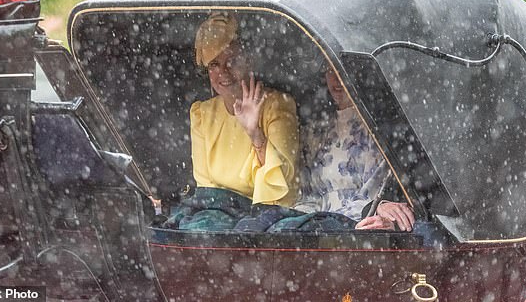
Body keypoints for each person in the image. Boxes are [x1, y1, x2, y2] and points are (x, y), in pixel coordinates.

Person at [167, 12, 299, 230]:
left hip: (265, 216)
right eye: (214, 65)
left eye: (232, 61)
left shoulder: (277, 105)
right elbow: (207, 192)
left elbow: (283, 188)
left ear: (250, 60)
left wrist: (255, 133)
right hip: (217, 217)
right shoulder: (201, 114)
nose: (223, 72)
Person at [295, 65, 415, 231]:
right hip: (313, 236)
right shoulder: (313, 132)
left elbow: (373, 201)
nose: (337, 78)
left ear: (359, 73)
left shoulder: (378, 131)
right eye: (330, 69)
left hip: (354, 233)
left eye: (342, 69)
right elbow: (304, 199)